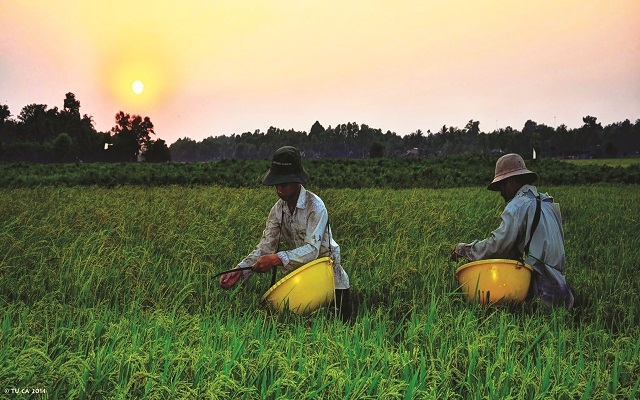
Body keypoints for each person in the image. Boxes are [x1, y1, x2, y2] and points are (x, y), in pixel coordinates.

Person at [219, 146, 352, 319]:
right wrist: (240, 270)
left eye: (283, 185)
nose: (279, 190)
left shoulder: (315, 208)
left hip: (330, 281)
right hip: (302, 282)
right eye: (276, 185)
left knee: (338, 330)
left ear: (297, 182)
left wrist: (276, 259)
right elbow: (265, 248)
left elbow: (312, 250)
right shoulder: (277, 210)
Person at [451, 153, 574, 309]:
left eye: (501, 186)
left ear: (511, 181)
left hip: (541, 294)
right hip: (562, 291)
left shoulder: (517, 206)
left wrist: (465, 250)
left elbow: (498, 246)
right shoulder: (546, 202)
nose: (501, 192)